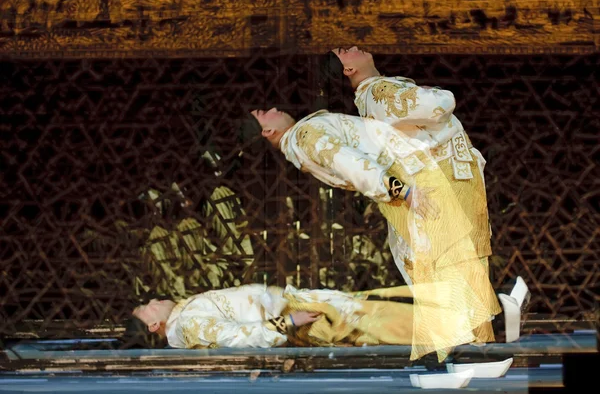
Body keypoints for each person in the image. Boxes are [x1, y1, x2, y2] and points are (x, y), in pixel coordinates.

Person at [248, 108, 502, 362]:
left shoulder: (302, 139)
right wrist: (401, 191)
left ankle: (469, 339)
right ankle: (472, 337)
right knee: (436, 261)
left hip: (406, 177)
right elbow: (347, 161)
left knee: (429, 264)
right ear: (267, 131)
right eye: (263, 113)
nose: (273, 109)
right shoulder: (304, 136)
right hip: (410, 178)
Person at [132, 283, 425, 349]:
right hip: (302, 318)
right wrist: (287, 322)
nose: (155, 300)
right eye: (149, 306)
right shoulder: (187, 324)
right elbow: (234, 337)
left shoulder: (185, 312)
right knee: (390, 322)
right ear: (154, 325)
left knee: (384, 310)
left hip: (299, 307)